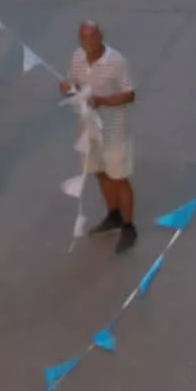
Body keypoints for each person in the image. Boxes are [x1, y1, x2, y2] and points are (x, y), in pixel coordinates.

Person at [59, 21, 137, 254]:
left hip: (114, 130)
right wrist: (67, 88)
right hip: (88, 130)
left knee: (119, 177)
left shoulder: (117, 61)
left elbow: (129, 94)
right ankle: (113, 214)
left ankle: (129, 225)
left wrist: (102, 101)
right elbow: (74, 83)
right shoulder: (77, 57)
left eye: (92, 37)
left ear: (101, 36)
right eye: (83, 38)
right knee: (99, 172)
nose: (88, 43)